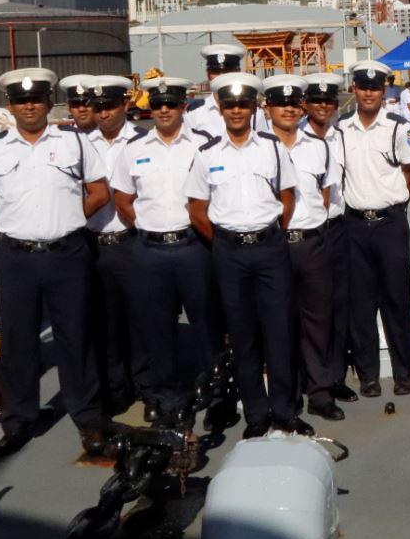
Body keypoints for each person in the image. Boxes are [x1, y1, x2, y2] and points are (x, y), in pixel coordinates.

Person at [0, 68, 109, 457]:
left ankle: (88, 419)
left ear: (48, 102)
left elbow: (99, 192)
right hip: (17, 258)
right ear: (10, 106)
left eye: (35, 99)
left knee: (76, 339)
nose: (28, 106)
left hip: (68, 255)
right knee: (17, 342)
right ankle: (18, 420)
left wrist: (68, 218)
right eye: (20, 100)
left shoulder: (75, 143)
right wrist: (21, 224)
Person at [186, 72, 310, 438]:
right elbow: (196, 208)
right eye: (230, 105)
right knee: (242, 335)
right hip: (229, 253)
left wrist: (271, 233)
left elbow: (287, 195)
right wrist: (225, 242)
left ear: (255, 107)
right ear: (221, 109)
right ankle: (256, 414)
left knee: (280, 330)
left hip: (270, 248)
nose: (237, 111)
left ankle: (284, 410)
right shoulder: (207, 154)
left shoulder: (272, 147)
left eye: (243, 104)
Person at [110, 76, 220, 423]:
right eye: (157, 105)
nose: (164, 110)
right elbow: (122, 198)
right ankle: (163, 395)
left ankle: (215, 392)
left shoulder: (204, 144)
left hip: (193, 246)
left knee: (206, 323)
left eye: (171, 104)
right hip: (151, 250)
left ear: (183, 107)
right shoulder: (134, 148)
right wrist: (145, 226)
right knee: (155, 327)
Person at [333, 60, 410, 398]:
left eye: (375, 88)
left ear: (383, 90)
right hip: (355, 225)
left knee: (395, 300)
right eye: (363, 87)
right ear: (354, 89)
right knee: (361, 304)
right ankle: (368, 374)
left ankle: (403, 373)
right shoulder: (342, 128)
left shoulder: (400, 128)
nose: (369, 94)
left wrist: (392, 206)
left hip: (390, 224)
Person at [262, 74, 344, 422]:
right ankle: (288, 394)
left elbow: (324, 196)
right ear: (268, 109)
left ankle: (320, 392)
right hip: (275, 246)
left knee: (318, 320)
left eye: (294, 104)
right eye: (281, 104)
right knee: (280, 323)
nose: (288, 110)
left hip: (311, 243)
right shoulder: (259, 148)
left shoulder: (318, 147)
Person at [85, 76, 144, 416]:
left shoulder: (142, 141)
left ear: (125, 104)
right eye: (98, 108)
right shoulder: (82, 144)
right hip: (94, 242)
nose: (104, 114)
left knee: (141, 318)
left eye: (109, 106)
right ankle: (117, 388)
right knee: (105, 322)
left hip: (131, 240)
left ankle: (147, 387)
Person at [301, 72, 359, 405]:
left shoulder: (342, 135)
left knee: (339, 305)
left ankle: (335, 375)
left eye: (328, 101)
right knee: (309, 309)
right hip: (308, 233)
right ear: (306, 104)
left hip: (337, 227)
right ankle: (310, 377)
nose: (323, 106)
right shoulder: (294, 138)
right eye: (317, 100)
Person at [186, 43, 265, 137]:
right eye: (216, 71)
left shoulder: (255, 113)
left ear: (238, 72)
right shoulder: (194, 113)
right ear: (208, 74)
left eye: (227, 71)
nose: (221, 76)